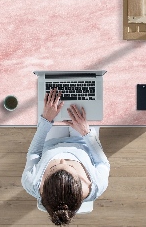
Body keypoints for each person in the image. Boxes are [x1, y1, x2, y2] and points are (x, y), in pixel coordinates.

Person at [22, 88, 110, 225]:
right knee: (86, 100)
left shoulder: (31, 183)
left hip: (51, 142)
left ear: (43, 185)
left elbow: (34, 153)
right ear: (82, 183)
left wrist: (46, 120)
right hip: (83, 141)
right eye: (70, 166)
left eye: (54, 167)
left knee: (52, 104)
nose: (62, 159)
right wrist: (86, 132)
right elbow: (102, 163)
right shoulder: (98, 185)